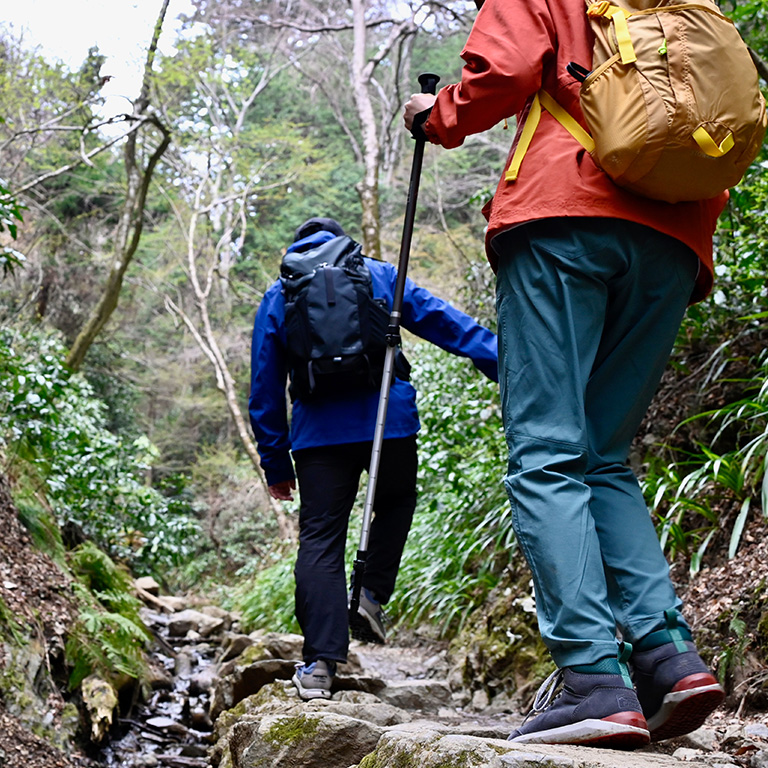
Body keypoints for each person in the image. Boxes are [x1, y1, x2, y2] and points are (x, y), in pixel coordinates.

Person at [403, 0, 727, 749]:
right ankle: (668, 656)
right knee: (603, 456)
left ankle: (593, 680)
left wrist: (437, 114)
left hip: (565, 219)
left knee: (547, 452)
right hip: (676, 236)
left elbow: (508, 70)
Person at [249, 217, 498, 701]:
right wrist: (502, 358)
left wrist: (274, 463)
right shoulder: (379, 274)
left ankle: (320, 666)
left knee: (320, 538)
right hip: (390, 421)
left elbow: (264, 386)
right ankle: (371, 594)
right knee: (397, 501)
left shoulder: (279, 295)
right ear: (342, 241)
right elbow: (442, 320)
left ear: (295, 248)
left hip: (317, 435)